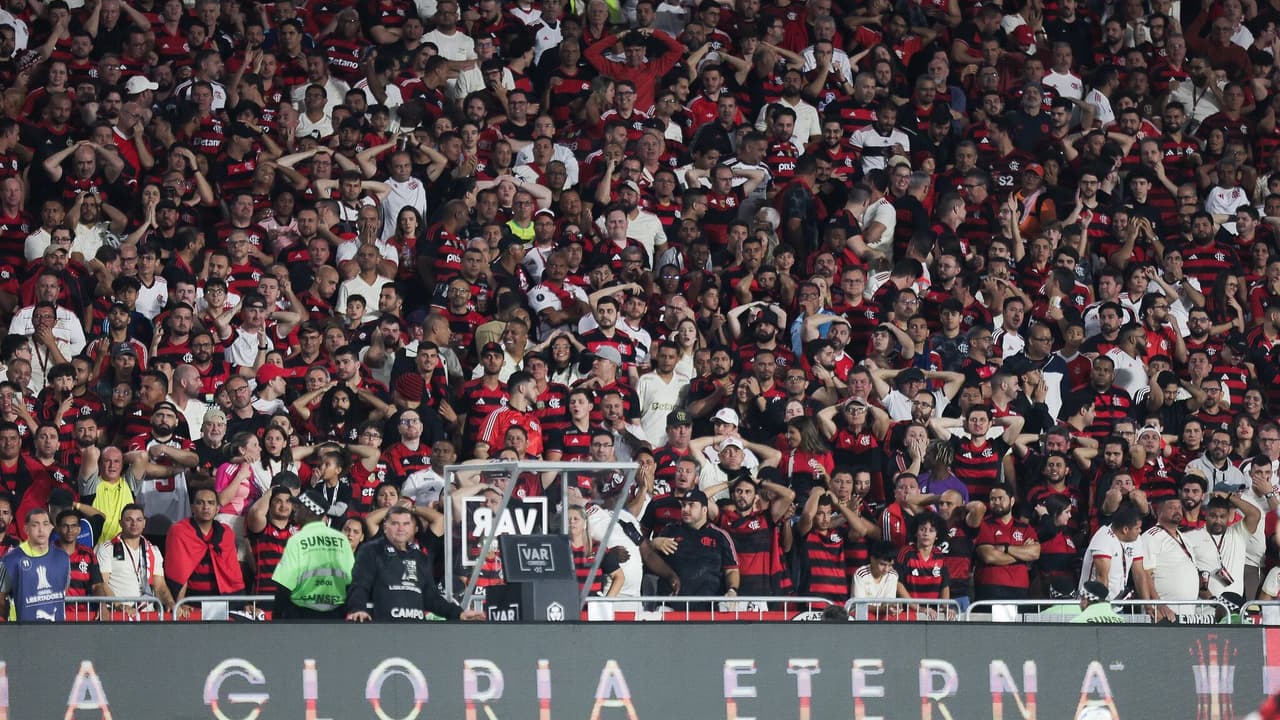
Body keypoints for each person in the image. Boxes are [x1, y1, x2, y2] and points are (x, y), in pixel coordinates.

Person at [346, 506, 485, 622]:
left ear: (414, 528)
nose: (401, 528)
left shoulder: (420, 557)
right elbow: (360, 585)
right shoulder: (371, 550)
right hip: (385, 627)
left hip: (417, 629)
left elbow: (431, 597)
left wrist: (459, 613)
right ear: (385, 527)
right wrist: (357, 609)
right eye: (395, 523)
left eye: (406, 524)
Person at [642, 489, 739, 604]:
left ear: (704, 509)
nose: (685, 509)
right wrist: (654, 544)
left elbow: (732, 570)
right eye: (683, 505)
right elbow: (648, 557)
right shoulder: (669, 530)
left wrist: (732, 590)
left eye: (691, 505)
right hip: (671, 605)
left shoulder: (720, 536)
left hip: (710, 608)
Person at [273, 489, 355, 619]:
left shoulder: (298, 540)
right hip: (335, 614)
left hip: (301, 614)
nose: (294, 509)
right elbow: (351, 579)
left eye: (298, 506)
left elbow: (284, 584)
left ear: (308, 511)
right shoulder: (341, 540)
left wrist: (277, 616)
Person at [163, 488, 244, 614]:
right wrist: (179, 603)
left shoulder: (226, 533)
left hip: (222, 600)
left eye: (211, 503)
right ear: (192, 508)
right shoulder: (179, 531)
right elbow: (179, 571)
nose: (206, 507)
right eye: (200, 503)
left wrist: (242, 603)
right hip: (191, 601)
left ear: (217, 509)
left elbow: (233, 572)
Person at [96, 504, 175, 617]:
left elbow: (160, 585)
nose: (134, 524)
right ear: (120, 523)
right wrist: (119, 605)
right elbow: (102, 583)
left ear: (144, 523)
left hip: (147, 615)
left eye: (139, 520)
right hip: (120, 614)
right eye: (129, 520)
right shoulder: (108, 548)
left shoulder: (153, 550)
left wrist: (170, 602)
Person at [0, 508, 69, 621]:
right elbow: (1, 598)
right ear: (26, 529)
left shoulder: (63, 557)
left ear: (51, 528)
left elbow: (63, 588)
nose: (41, 530)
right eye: (35, 525)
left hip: (57, 632)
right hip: (23, 632)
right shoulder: (10, 560)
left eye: (45, 524)